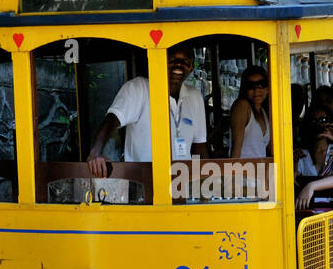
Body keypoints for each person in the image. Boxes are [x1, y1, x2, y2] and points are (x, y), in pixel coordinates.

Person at [86, 44, 209, 176]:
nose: (178, 65)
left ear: (191, 67)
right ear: (160, 60)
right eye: (172, 59)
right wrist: (95, 152)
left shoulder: (195, 96)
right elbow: (112, 119)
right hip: (143, 182)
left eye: (185, 61)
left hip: (182, 185)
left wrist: (201, 185)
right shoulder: (138, 88)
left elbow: (199, 148)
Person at [230, 65, 273, 158]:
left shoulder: (263, 112)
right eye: (251, 85)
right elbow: (235, 149)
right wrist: (233, 171)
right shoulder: (242, 106)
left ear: (268, 88)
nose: (257, 89)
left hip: (259, 171)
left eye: (261, 84)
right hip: (243, 171)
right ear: (244, 89)